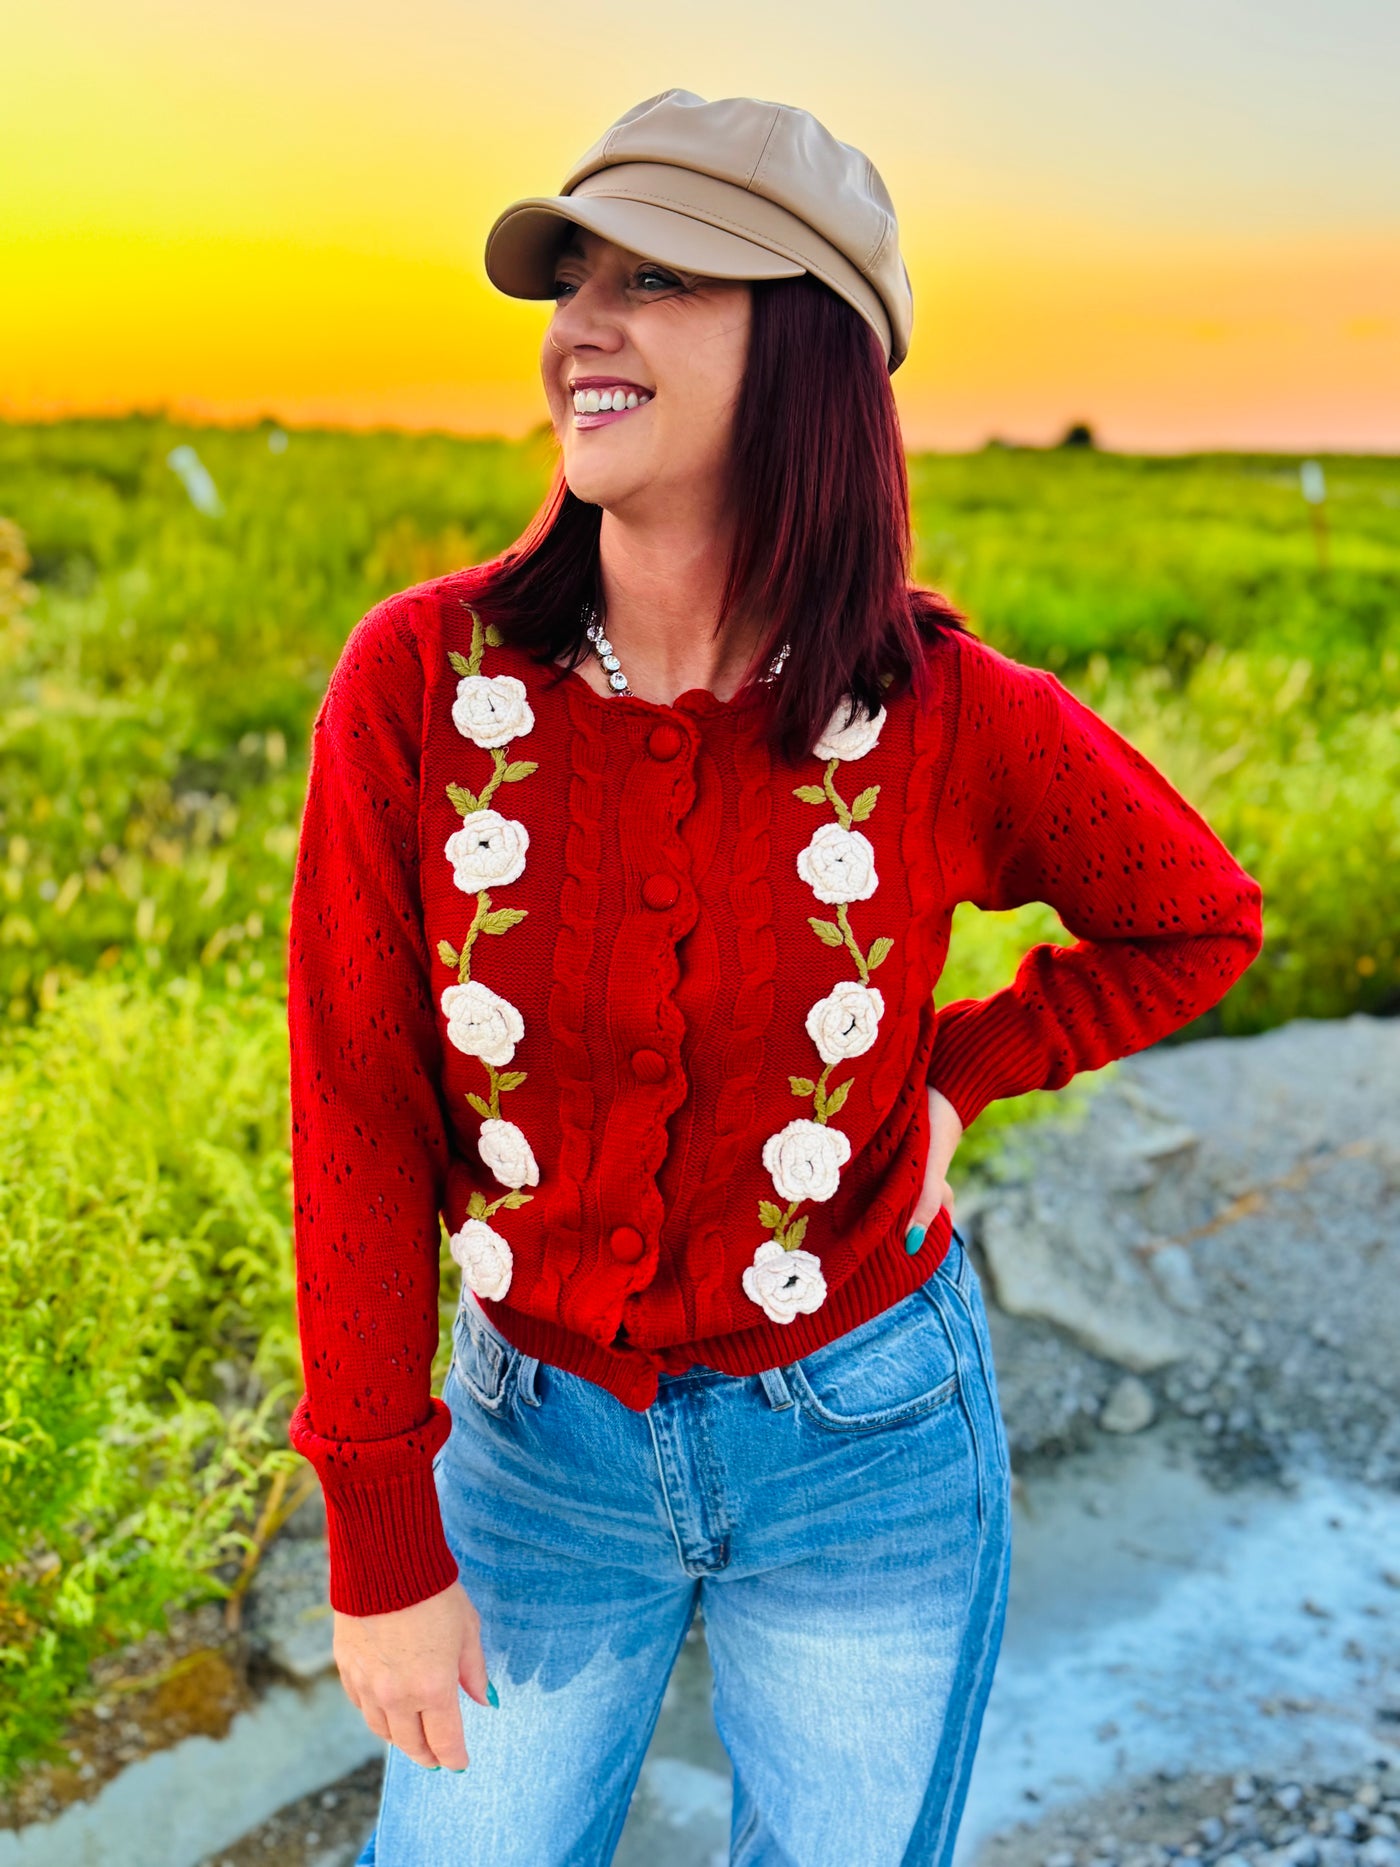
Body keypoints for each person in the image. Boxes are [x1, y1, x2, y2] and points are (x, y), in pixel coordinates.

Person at [285, 89, 1265, 1867]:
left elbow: (1195, 920)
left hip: (869, 1447)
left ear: (809, 343)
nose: (584, 319)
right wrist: (380, 1540)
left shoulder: (949, 715)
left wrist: (961, 1070)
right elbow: (355, 1105)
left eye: (658, 277)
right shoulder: (421, 686)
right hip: (530, 1454)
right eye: (573, 274)